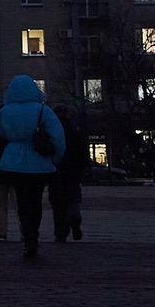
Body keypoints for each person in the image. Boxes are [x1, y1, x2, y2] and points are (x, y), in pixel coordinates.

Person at [0, 74, 64, 259]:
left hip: (13, 161)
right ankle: (34, 234)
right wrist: (54, 159)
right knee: (36, 201)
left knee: (22, 202)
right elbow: (58, 138)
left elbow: (0, 132)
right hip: (39, 162)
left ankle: (27, 235)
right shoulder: (43, 110)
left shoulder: (5, 112)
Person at [48, 104, 87, 243]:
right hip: (72, 172)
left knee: (57, 204)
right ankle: (74, 218)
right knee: (72, 199)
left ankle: (60, 232)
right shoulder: (74, 131)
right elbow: (83, 154)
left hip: (55, 171)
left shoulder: (51, 132)